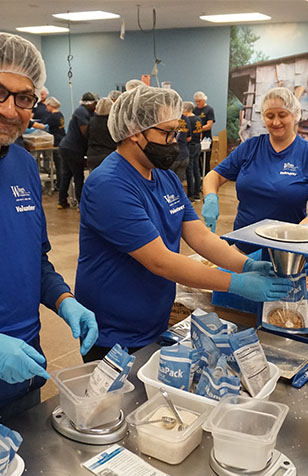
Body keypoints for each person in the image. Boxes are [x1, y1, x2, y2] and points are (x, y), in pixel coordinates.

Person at [75, 85, 293, 361]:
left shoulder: (163, 177)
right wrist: (236, 283)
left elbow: (199, 235)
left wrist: (245, 265)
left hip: (152, 319)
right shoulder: (109, 185)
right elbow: (161, 261)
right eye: (166, 133)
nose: (173, 141)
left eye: (174, 132)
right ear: (133, 132)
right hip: (113, 332)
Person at [0, 32, 98, 422]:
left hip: (22, 372)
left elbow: (35, 259)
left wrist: (65, 301)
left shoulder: (23, 165)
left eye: (24, 98)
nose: (10, 110)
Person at [202, 87, 308, 251]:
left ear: (294, 115)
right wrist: (210, 198)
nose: (276, 122)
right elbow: (214, 175)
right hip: (243, 246)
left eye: (282, 115)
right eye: (270, 116)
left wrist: (303, 228)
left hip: (286, 251)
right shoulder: (251, 147)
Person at [58, 91, 98, 209]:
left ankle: (62, 201)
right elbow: (85, 132)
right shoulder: (81, 112)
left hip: (67, 147)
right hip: (73, 149)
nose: (96, 105)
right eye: (95, 103)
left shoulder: (85, 112)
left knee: (66, 175)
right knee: (78, 176)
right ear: (89, 103)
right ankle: (81, 203)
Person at [86, 97, 116, 171]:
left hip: (93, 155)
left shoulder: (92, 121)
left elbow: (86, 136)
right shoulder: (112, 122)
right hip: (109, 155)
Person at [42, 96, 65, 191]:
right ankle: (61, 183)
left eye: (47, 105)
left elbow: (43, 125)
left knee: (58, 165)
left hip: (56, 142)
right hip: (62, 140)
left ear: (50, 105)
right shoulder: (60, 115)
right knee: (61, 165)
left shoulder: (52, 117)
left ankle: (60, 185)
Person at [183, 101, 202, 202]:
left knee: (189, 171)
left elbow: (187, 136)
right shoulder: (198, 118)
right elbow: (200, 134)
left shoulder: (188, 120)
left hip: (190, 146)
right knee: (196, 169)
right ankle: (197, 194)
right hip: (198, 145)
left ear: (185, 109)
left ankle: (190, 195)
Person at [193, 90, 214, 175]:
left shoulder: (209, 109)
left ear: (204, 100)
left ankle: (206, 179)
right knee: (196, 161)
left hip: (206, 139)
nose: (198, 103)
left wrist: (198, 129)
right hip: (196, 139)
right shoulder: (194, 110)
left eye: (199, 101)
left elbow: (209, 125)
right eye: (196, 101)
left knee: (206, 161)